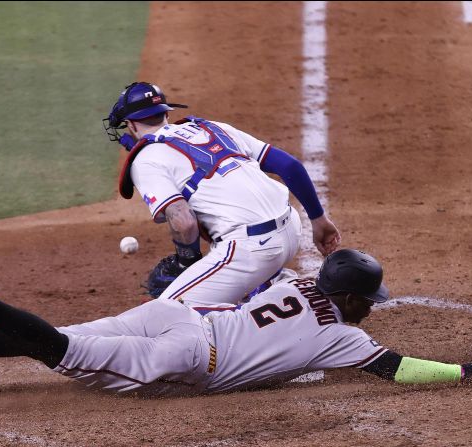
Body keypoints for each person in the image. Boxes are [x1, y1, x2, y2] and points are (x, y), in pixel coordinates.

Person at [0, 249, 472, 396]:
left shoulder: (292, 281)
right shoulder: (346, 336)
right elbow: (403, 370)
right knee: (60, 348)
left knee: (61, 338)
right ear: (356, 300)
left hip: (175, 313)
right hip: (191, 357)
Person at [102, 82, 342, 309]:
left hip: (252, 252)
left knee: (166, 313)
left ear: (131, 125)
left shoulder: (145, 159)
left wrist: (186, 263)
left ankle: (282, 295)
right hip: (293, 229)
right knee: (223, 227)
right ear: (166, 114)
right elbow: (290, 166)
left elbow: (184, 223)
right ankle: (268, 284)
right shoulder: (213, 127)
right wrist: (318, 220)